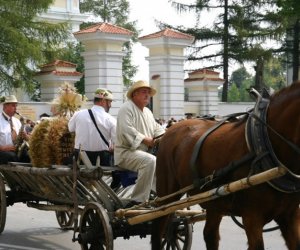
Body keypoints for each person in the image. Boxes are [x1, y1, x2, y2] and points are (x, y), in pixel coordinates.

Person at [114, 80, 165, 206]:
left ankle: (153, 194)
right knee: (150, 161)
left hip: (142, 153)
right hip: (125, 153)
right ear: (134, 94)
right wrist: (146, 140)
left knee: (162, 161)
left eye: (148, 92)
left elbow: (157, 129)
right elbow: (127, 130)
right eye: (143, 92)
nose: (147, 95)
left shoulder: (148, 112)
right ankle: (138, 200)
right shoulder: (126, 108)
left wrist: (168, 135)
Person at [68, 88, 116, 166]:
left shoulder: (78, 114)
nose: (110, 105)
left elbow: (70, 129)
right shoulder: (111, 119)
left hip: (80, 158)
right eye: (109, 102)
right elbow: (116, 143)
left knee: (78, 178)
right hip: (102, 159)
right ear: (103, 101)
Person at [0, 95, 27, 164]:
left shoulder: (17, 121)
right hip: (2, 152)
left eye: (16, 106)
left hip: (15, 151)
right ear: (5, 106)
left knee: (28, 155)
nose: (15, 108)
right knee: (11, 156)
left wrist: (25, 136)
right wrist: (3, 148)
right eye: (13, 106)